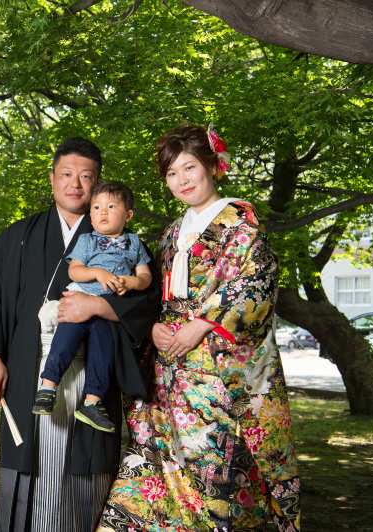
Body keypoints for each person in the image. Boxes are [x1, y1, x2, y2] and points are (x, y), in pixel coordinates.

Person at [97, 124, 301, 532]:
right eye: (172, 173)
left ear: (213, 165)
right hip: (168, 376)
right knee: (151, 473)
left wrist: (204, 323)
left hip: (216, 376)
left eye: (189, 168)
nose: (181, 180)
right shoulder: (173, 232)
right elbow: (150, 292)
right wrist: (151, 326)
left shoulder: (240, 221)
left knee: (215, 479)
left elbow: (256, 281)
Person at [0, 138, 161, 532]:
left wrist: (100, 307)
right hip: (28, 370)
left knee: (85, 470)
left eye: (86, 177)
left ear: (99, 183)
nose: (76, 185)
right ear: (52, 179)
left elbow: (147, 301)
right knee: (26, 465)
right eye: (66, 175)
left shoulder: (126, 244)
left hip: (93, 373)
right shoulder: (16, 238)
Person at [33, 182, 153, 433]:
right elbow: (74, 269)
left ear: (128, 215)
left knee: (104, 350)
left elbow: (145, 278)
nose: (103, 212)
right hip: (81, 297)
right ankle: (47, 386)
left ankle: (92, 401)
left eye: (111, 206)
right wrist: (97, 272)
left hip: (109, 308)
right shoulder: (87, 240)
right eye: (97, 207)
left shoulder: (134, 242)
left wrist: (131, 281)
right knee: (64, 340)